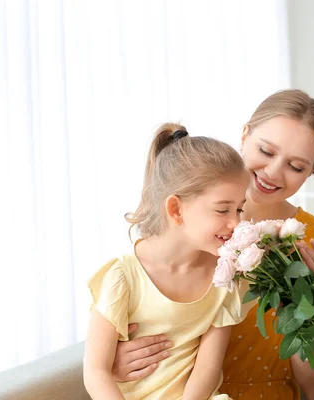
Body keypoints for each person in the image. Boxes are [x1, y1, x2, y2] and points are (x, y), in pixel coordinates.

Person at [111, 90, 314, 400]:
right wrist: (113, 364)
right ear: (244, 135)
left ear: (313, 172)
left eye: (296, 167)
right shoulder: (194, 226)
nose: (273, 172)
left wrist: (304, 298)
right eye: (266, 151)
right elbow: (129, 321)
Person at [83, 123, 251, 399]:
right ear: (176, 209)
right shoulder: (123, 276)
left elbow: (207, 370)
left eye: (239, 209)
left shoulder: (225, 276)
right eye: (223, 209)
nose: (235, 222)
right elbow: (96, 372)